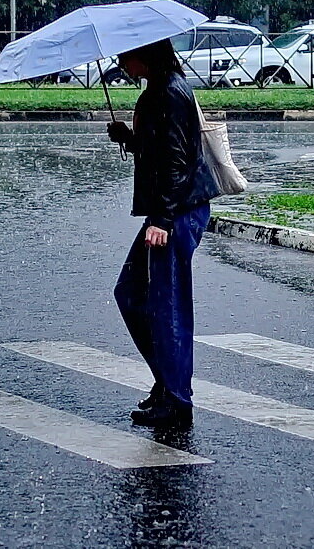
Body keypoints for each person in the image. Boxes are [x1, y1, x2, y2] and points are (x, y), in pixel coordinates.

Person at [106, 39, 221, 428]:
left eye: (126, 54)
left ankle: (176, 399)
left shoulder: (170, 92)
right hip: (173, 209)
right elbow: (160, 148)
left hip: (177, 211)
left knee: (166, 304)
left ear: (147, 54)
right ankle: (167, 381)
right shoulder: (160, 89)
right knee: (132, 294)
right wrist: (130, 139)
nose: (121, 62)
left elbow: (177, 161)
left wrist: (162, 219)